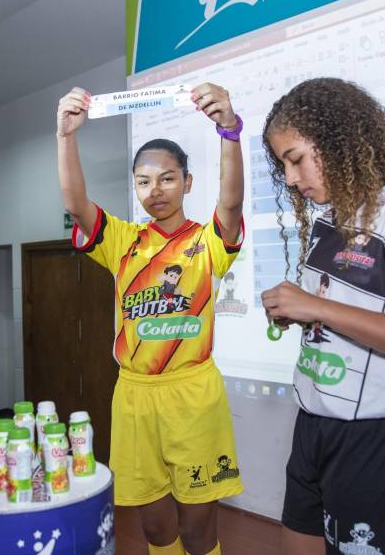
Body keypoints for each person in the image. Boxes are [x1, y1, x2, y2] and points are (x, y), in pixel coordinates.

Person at [259, 78, 385, 555]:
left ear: (337, 141)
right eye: (283, 164)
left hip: (379, 436)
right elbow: (343, 315)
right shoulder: (329, 220)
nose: (290, 178)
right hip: (314, 424)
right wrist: (302, 316)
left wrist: (316, 307)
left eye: (296, 159)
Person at [57, 83, 245, 555]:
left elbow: (233, 203)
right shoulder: (122, 241)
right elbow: (76, 204)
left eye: (166, 178)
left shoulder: (207, 242)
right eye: (143, 181)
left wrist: (229, 132)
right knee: (157, 530)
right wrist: (65, 136)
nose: (154, 190)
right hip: (135, 398)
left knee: (200, 531)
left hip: (194, 396)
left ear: (187, 181)